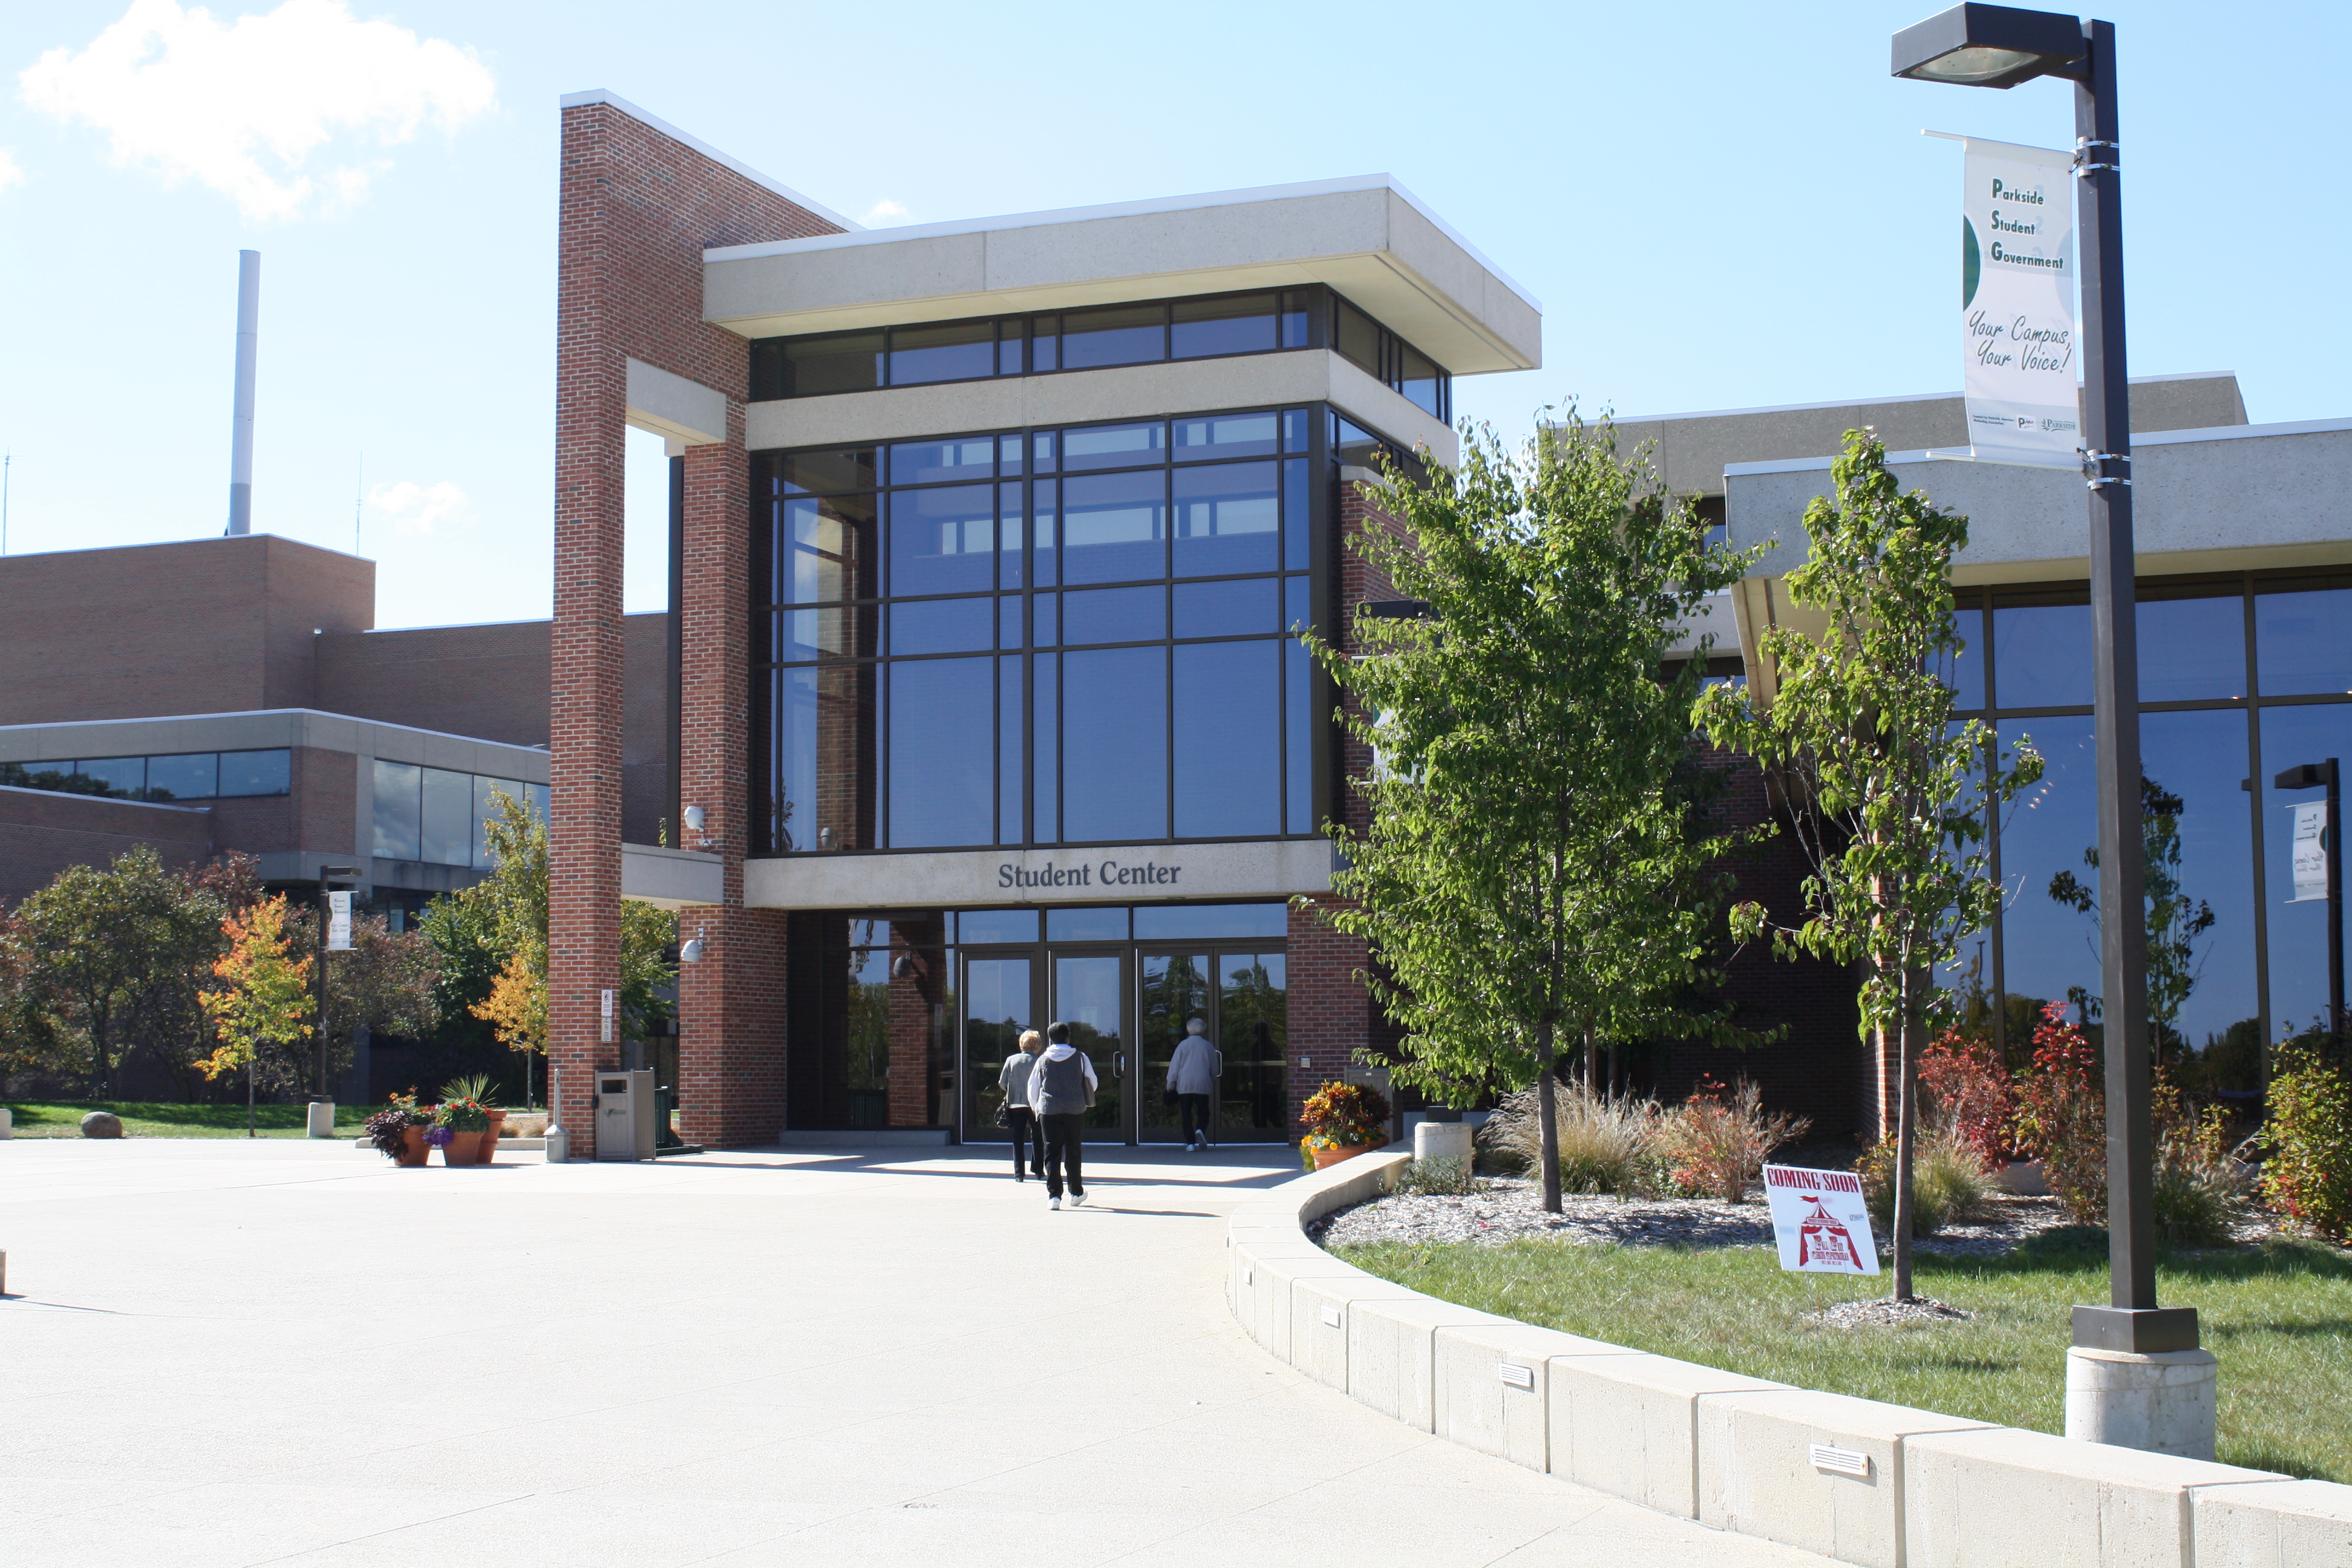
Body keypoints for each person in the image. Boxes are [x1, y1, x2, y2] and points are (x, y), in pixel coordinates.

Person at [1025, 1020, 1097, 1210]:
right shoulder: (1081, 1057)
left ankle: (1054, 1196)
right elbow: (1093, 1082)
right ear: (1068, 1037)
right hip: (1075, 1109)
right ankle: (1076, 1192)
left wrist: (1035, 1106)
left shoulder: (1042, 1059)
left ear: (1050, 1039)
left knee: (1052, 1152)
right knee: (1073, 1151)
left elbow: (1033, 1086)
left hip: (1049, 1110)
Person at [1166, 1016, 1221, 1152]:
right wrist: (1212, 1078)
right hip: (1202, 1083)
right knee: (1204, 1111)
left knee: (1186, 1113)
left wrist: (1171, 1084)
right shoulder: (1208, 1046)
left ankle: (1190, 1143)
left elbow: (1175, 1066)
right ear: (1203, 1029)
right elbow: (1215, 1068)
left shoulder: (1183, 1045)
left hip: (1184, 1084)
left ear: (1188, 1029)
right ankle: (1200, 1129)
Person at [998, 1030, 1045, 1182]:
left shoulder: (1011, 1060)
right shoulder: (1040, 1061)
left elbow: (1002, 1082)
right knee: (1037, 1137)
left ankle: (1019, 1173)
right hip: (1034, 1104)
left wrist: (1012, 1091)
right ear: (1037, 1045)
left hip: (1015, 1103)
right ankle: (1038, 1170)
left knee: (1017, 1138)